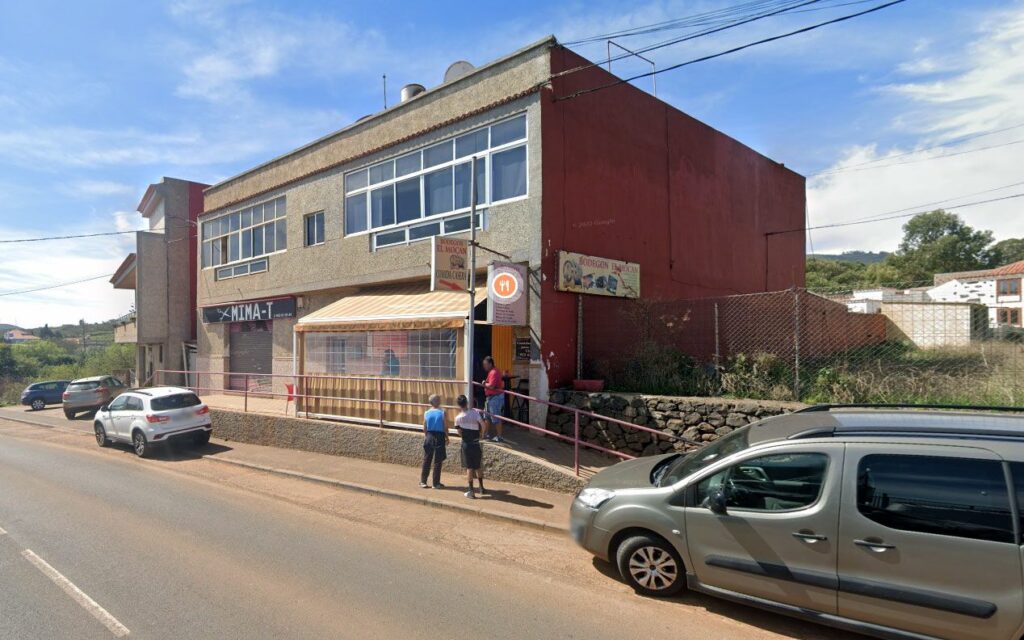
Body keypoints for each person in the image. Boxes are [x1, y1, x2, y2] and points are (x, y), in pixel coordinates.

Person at [454, 394, 485, 498]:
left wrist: (464, 435)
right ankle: (481, 488)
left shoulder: (458, 418)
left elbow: (459, 432)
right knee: (478, 466)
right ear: (467, 402)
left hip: (466, 444)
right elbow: (483, 424)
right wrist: (482, 434)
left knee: (469, 467)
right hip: (476, 443)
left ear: (459, 405)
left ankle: (471, 491)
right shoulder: (475, 413)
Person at [420, 394, 448, 489]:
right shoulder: (443, 412)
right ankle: (436, 483)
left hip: (429, 435)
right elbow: (445, 426)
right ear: (435, 401)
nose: (440, 400)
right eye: (438, 399)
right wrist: (447, 437)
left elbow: (424, 426)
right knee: (438, 460)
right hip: (439, 436)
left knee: (427, 458)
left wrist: (426, 436)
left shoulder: (427, 413)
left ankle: (423, 481)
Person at [481, 355, 506, 443]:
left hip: (495, 397)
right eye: (484, 364)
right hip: (490, 398)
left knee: (496, 417)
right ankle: (486, 434)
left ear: (490, 364)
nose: (484, 366)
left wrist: (484, 383)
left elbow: (491, 386)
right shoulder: (492, 371)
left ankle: (499, 436)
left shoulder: (494, 372)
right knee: (487, 417)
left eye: (486, 364)